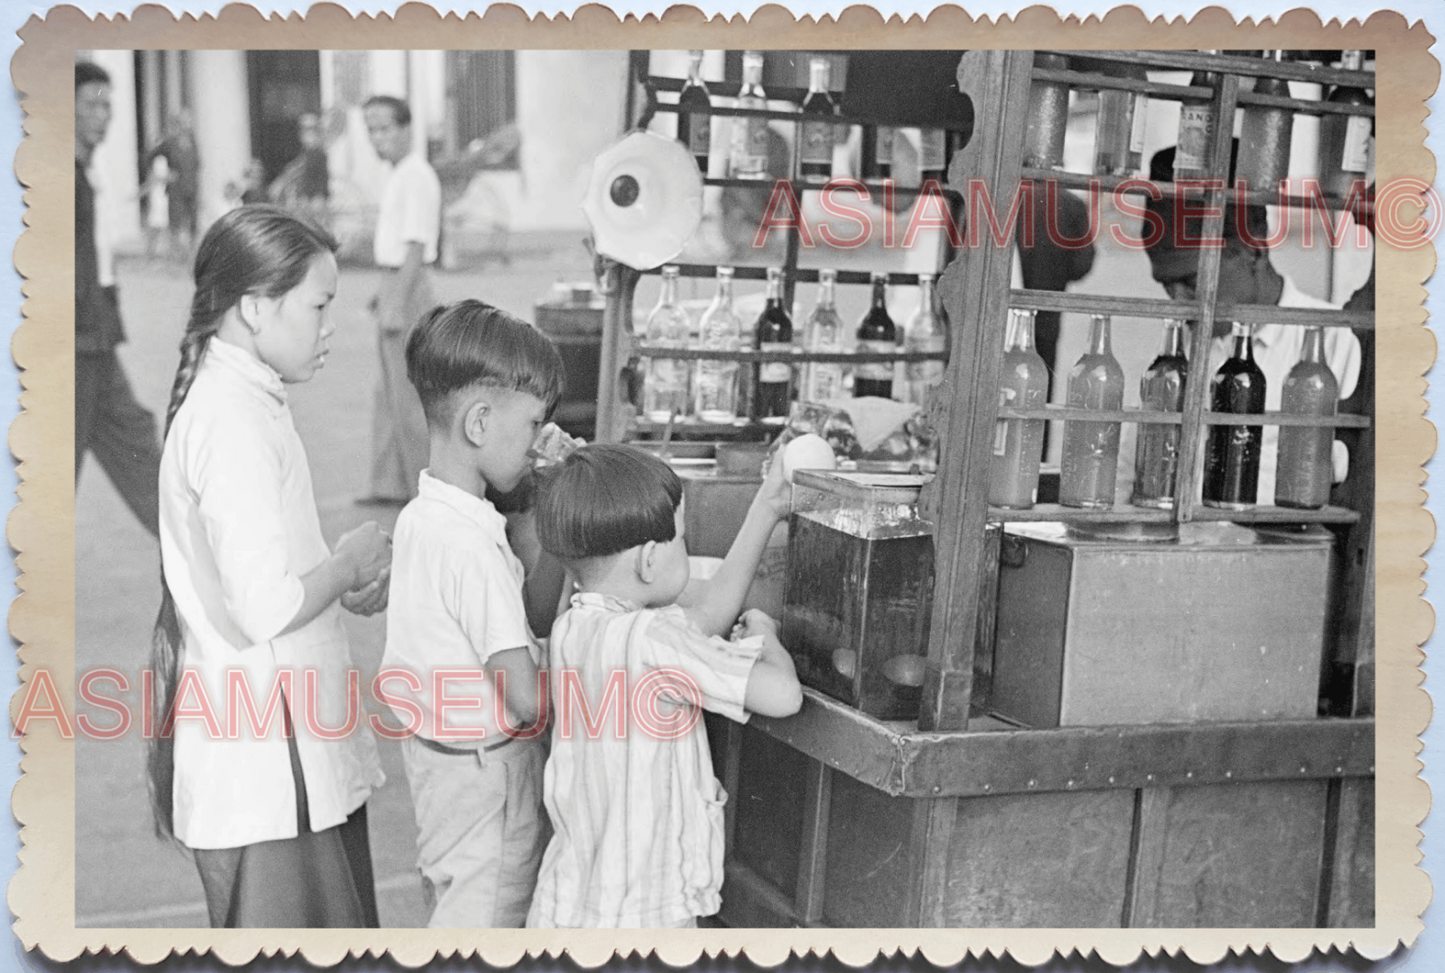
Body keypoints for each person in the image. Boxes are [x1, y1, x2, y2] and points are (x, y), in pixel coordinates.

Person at [147, 205, 391, 928]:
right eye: (317, 305)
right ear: (255, 307)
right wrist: (345, 567)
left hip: (278, 748)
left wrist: (336, 576)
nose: (329, 326)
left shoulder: (245, 400)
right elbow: (263, 605)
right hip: (270, 765)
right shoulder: (231, 418)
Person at [526, 444, 803, 929]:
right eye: (682, 539)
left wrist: (768, 506)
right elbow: (782, 695)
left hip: (568, 909)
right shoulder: (656, 639)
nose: (686, 549)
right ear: (650, 560)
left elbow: (709, 614)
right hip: (645, 921)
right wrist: (765, 636)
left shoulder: (571, 628)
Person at [381, 300, 569, 928]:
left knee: (456, 912)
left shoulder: (426, 516)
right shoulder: (470, 547)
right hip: (490, 777)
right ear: (481, 422)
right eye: (534, 424)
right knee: (488, 923)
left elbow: (527, 619)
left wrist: (551, 513)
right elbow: (523, 698)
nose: (539, 441)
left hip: (444, 770)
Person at [1117, 143, 1362, 505]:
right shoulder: (1178, 349)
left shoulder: (1334, 342)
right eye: (1166, 286)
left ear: (1254, 249)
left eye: (1192, 283)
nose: (1180, 303)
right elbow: (1128, 472)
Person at [74, 60, 163, 536]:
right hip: (71, 346)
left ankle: (199, 552)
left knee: (137, 442)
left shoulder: (86, 176)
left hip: (95, 342)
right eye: (91, 104)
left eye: (108, 105)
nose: (103, 115)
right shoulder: (59, 180)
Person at [360, 94, 441, 504]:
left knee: (408, 394)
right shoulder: (398, 175)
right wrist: (382, 293)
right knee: (386, 391)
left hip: (408, 287)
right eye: (371, 130)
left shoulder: (416, 175)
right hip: (394, 281)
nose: (378, 138)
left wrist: (395, 302)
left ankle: (423, 487)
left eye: (385, 128)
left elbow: (415, 244)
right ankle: (390, 484)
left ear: (406, 129)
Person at [144, 109, 200, 257]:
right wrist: (164, 174)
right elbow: (149, 156)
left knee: (193, 221)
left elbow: (197, 164)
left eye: (189, 121)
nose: (188, 124)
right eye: (185, 122)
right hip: (176, 189)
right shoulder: (170, 142)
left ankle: (191, 253)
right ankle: (176, 253)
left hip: (191, 187)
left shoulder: (192, 141)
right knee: (176, 221)